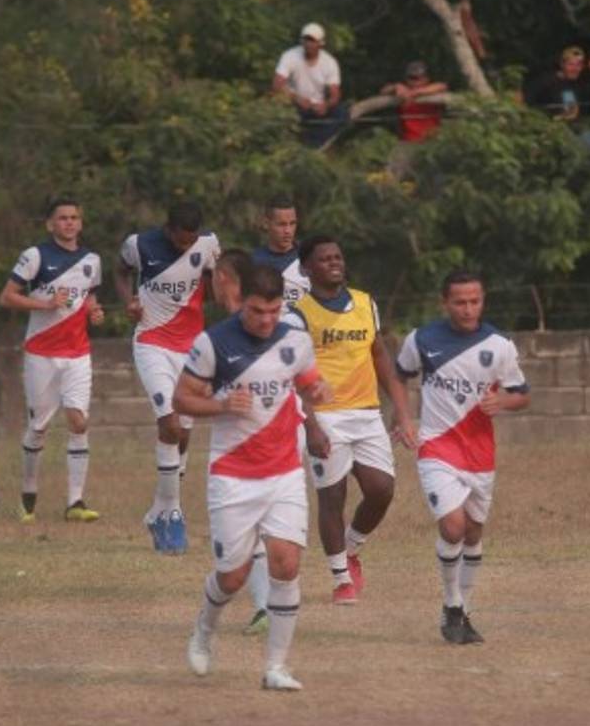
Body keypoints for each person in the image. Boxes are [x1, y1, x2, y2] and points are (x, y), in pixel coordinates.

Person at [177, 264, 332, 691]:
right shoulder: (213, 343)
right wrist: (223, 406)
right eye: (257, 311)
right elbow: (182, 399)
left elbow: (309, 383)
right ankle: (204, 632)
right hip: (232, 475)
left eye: (274, 311)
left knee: (287, 563)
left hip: (284, 471)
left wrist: (318, 391)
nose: (266, 320)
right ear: (241, 302)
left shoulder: (295, 340)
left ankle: (276, 668)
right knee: (233, 575)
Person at [393, 270, 530, 644]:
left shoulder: (499, 345)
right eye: (460, 302)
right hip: (436, 447)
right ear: (445, 303)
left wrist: (503, 401)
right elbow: (398, 376)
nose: (468, 309)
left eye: (475, 301)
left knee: (473, 532)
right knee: (453, 527)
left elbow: (522, 394)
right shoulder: (422, 339)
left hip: (480, 454)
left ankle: (463, 610)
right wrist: (404, 417)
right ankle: (452, 604)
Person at [285, 236, 417, 605]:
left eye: (338, 257)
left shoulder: (364, 303)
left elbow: (380, 356)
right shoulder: (297, 315)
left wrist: (401, 410)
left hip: (367, 412)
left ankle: (352, 548)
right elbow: (292, 373)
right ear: (306, 268)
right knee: (333, 495)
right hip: (325, 415)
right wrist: (310, 425)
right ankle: (341, 578)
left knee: (381, 489)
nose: (334, 263)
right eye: (324, 259)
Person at [115, 201, 220, 554]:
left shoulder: (208, 245)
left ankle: (157, 511)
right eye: (180, 241)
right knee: (170, 425)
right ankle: (173, 514)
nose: (186, 246)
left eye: (191, 241)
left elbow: (215, 289)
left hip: (191, 349)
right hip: (152, 343)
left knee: (184, 435)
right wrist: (128, 300)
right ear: (168, 230)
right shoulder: (139, 245)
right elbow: (120, 271)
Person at [0, 197, 105, 523]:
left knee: (78, 421)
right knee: (39, 427)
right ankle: (28, 497)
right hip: (41, 354)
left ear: (81, 223)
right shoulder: (35, 256)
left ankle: (75, 502)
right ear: (50, 224)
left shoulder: (92, 260)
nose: (69, 223)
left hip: (78, 354)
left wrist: (94, 312)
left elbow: (89, 297)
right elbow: (7, 297)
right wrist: (45, 304)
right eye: (63, 218)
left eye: (74, 218)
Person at [211, 248, 274, 636]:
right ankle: (266, 605)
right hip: (255, 438)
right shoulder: (235, 329)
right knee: (258, 527)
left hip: (264, 438)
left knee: (259, 525)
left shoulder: (236, 331)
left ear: (221, 278)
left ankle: (267, 606)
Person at [521, 14, 590, 121]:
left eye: (578, 65)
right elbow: (521, 98)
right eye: (571, 64)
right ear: (562, 65)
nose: (575, 68)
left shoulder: (582, 75)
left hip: (575, 126)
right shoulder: (546, 81)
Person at [273, 23, 346, 149]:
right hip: (293, 103)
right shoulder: (290, 56)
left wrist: (326, 105)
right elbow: (277, 85)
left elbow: (335, 93)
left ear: (320, 43)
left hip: (318, 106)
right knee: (280, 111)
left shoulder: (330, 62)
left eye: (312, 41)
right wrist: (296, 98)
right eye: (306, 40)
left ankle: (315, 145)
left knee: (342, 114)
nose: (308, 44)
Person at [251, 195, 310, 310]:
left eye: (292, 223)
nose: (288, 231)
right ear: (266, 223)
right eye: (281, 224)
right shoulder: (254, 261)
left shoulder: (309, 257)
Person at [380, 61, 448, 143]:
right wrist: (396, 86)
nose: (416, 81)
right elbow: (384, 91)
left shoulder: (432, 90)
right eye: (412, 78)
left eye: (419, 78)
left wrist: (415, 93)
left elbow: (442, 86)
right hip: (408, 141)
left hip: (432, 142)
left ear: (427, 78)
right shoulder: (402, 92)